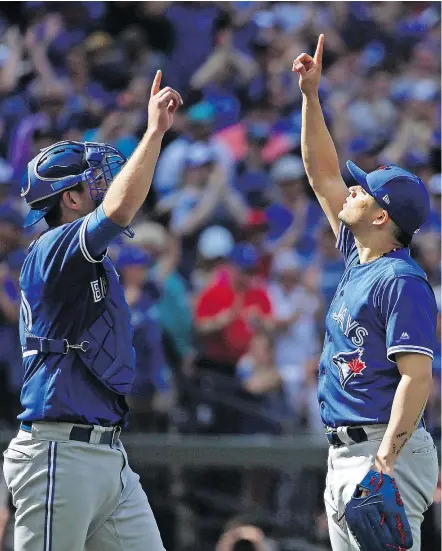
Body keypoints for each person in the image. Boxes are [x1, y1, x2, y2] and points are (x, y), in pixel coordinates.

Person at [2, 70, 183, 551]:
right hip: (58, 453)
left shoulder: (81, 257)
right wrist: (154, 132)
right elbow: (121, 210)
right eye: (95, 179)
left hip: (107, 455)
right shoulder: (52, 248)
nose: (106, 183)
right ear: (70, 197)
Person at [292, 35, 439, 551]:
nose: (350, 190)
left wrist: (384, 464)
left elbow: (416, 379)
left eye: (363, 189)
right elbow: (321, 172)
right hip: (344, 453)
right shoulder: (361, 256)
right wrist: (311, 96)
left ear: (382, 216)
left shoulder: (401, 280)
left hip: (381, 449)